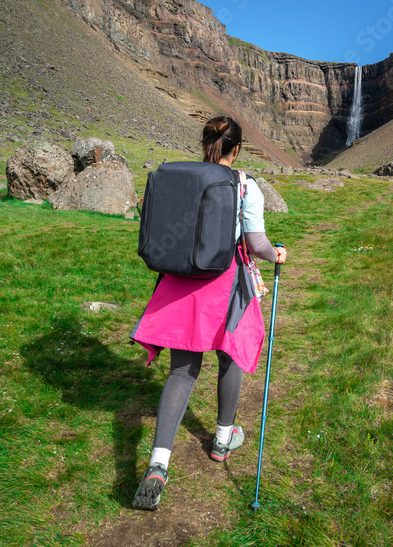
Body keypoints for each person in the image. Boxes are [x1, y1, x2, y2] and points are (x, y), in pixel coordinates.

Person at [129, 116, 287, 511]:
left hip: (180, 283)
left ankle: (158, 464)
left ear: (205, 144)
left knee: (182, 371)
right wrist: (276, 254)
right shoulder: (245, 184)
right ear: (236, 149)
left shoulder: (179, 176)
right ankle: (221, 438)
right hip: (222, 284)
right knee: (229, 353)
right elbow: (255, 241)